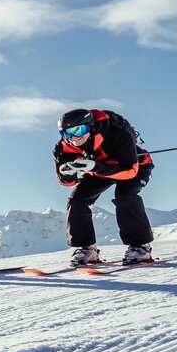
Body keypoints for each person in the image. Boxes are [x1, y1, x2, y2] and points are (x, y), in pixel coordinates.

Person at [53, 108, 154, 266]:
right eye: (66, 133)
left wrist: (95, 166)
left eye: (78, 130)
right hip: (97, 173)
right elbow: (66, 183)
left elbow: (129, 171)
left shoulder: (118, 135)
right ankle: (87, 249)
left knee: (125, 195)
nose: (73, 138)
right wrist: (67, 172)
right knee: (76, 200)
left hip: (133, 167)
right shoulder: (63, 148)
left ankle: (140, 246)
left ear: (91, 126)